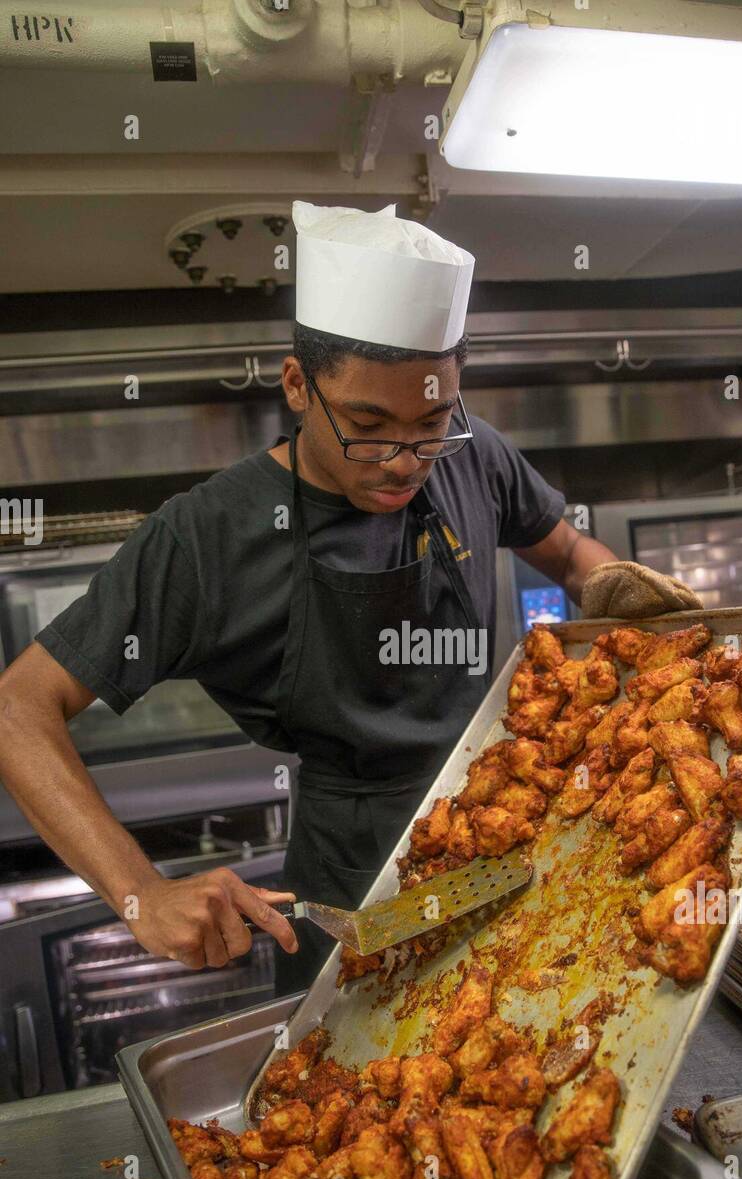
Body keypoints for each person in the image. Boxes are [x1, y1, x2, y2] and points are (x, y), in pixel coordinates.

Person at [0, 202, 698, 993]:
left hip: (524, 835)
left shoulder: (475, 457)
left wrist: (609, 587)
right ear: (298, 385)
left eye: (432, 423)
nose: (405, 461)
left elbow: (567, 548)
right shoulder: (206, 538)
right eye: (369, 424)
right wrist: (141, 891)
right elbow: (19, 707)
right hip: (357, 892)